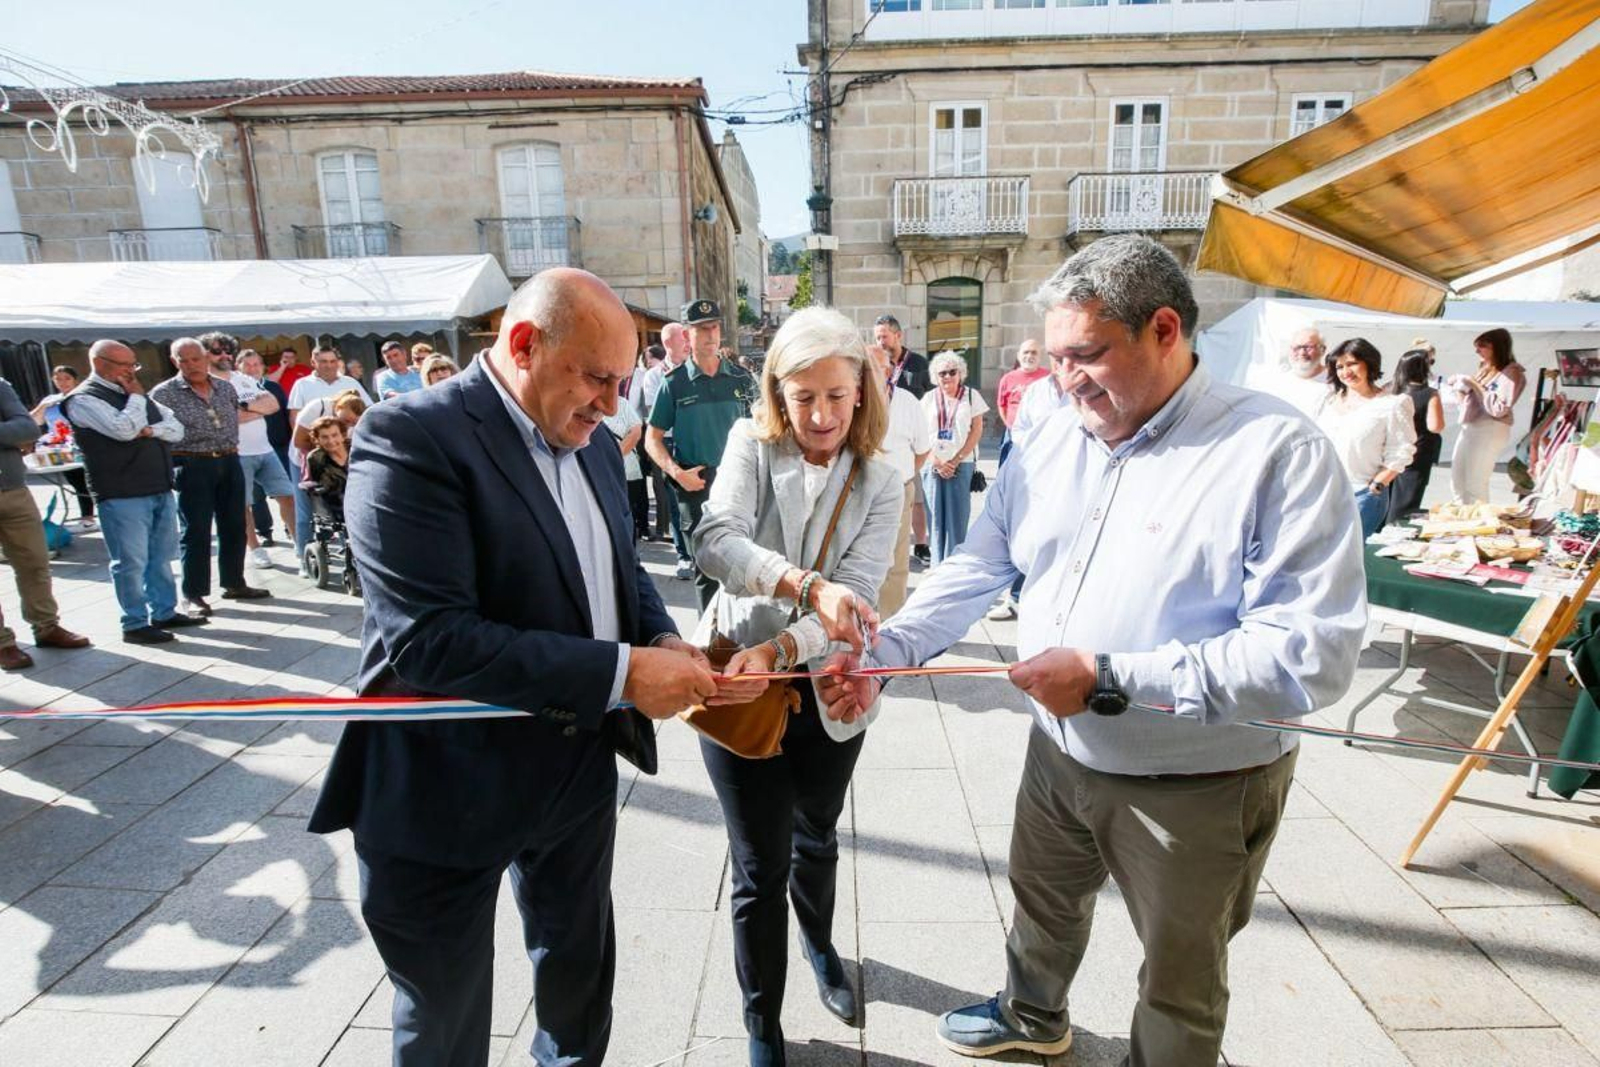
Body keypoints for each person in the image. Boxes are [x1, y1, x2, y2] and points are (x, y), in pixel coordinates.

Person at [818, 234, 1367, 1067]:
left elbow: (1308, 655)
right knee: (1043, 901)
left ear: (1166, 330)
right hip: (1060, 748)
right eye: (1057, 356)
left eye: (1089, 355)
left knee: (1182, 972)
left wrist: (1113, 676)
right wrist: (889, 647)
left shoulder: (1275, 451)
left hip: (1199, 782)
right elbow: (985, 557)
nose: (1065, 378)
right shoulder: (1047, 418)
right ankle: (1034, 1014)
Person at [308, 267, 718, 1067]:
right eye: (597, 377)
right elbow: (430, 639)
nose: (611, 403)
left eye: (622, 381)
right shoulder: (409, 434)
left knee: (578, 978)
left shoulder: (594, 440)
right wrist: (625, 673)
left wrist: (659, 635)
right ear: (524, 344)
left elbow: (617, 566)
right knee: (445, 1017)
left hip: (572, 770)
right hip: (443, 783)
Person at [690, 306, 902, 1066]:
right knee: (756, 866)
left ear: (862, 392)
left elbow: (860, 594)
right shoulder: (750, 442)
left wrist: (795, 632)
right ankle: (761, 1021)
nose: (819, 415)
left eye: (836, 397)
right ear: (777, 393)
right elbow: (715, 540)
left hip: (830, 688)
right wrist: (805, 588)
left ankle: (818, 944)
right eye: (802, 396)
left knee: (817, 831)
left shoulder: (882, 475)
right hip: (742, 680)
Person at [61, 340, 207, 644]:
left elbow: (176, 430)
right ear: (100, 363)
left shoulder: (135, 395)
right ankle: (134, 621)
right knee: (130, 562)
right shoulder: (83, 399)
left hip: (157, 484)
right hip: (120, 491)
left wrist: (150, 429)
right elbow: (123, 429)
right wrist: (137, 401)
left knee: (160, 556)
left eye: (133, 365)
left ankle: (164, 611)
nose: (131, 371)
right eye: (125, 366)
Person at [645, 299, 758, 607]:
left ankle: (742, 640)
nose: (710, 335)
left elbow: (763, 429)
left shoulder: (741, 379)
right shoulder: (675, 384)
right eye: (702, 329)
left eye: (715, 327)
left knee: (744, 564)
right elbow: (651, 439)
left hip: (739, 482)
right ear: (686, 335)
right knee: (705, 570)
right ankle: (710, 647)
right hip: (695, 483)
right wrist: (677, 473)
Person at [150, 338, 275, 615]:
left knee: (234, 524)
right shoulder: (164, 393)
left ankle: (234, 581)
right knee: (196, 530)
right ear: (175, 362)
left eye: (196, 359)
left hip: (229, 458)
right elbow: (157, 432)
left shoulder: (225, 387)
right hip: (192, 463)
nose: (191, 365)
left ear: (206, 358)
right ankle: (193, 593)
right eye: (184, 360)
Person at [0, 377, 91, 670]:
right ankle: (2, 643)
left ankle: (46, 626)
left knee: (35, 562)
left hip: (13, 489)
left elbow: (26, 427)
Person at [1315, 338, 1416, 538]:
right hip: (1324, 491)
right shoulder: (1328, 401)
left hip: (1362, 493)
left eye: (1352, 363)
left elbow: (1402, 450)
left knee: (1352, 556)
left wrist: (1377, 486)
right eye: (1340, 366)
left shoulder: (1391, 404)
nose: (1346, 372)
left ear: (1369, 363)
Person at [288, 344, 372, 568]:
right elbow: (299, 440)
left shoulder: (350, 384)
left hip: (340, 456)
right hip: (308, 458)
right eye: (345, 422)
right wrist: (326, 452)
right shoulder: (313, 402)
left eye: (332, 361)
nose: (349, 426)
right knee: (310, 510)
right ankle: (303, 557)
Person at [867, 342, 930, 618]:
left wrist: (902, 477)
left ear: (891, 370)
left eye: (880, 368)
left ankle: (890, 624)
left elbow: (923, 449)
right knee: (861, 558)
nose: (874, 374)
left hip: (898, 488)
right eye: (868, 368)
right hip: (860, 490)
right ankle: (860, 620)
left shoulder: (908, 402)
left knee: (896, 560)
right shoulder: (854, 400)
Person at [988, 339, 1049, 620]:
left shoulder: (1049, 381)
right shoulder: (1009, 379)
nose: (1029, 357)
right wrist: (1014, 429)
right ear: (1018, 355)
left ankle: (1024, 595)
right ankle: (1012, 596)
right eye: (1025, 352)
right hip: (1013, 445)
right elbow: (1002, 406)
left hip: (1043, 457)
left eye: (1034, 353)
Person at [874, 314, 933, 563]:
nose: (880, 341)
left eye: (884, 336)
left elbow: (933, 399)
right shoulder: (873, 364)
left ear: (898, 335)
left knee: (916, 499)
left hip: (914, 439)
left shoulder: (918, 364)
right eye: (877, 337)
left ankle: (920, 543)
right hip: (885, 443)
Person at [921, 352, 988, 564]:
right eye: (942, 373)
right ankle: (936, 566)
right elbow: (920, 433)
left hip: (962, 464)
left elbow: (976, 431)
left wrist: (955, 460)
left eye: (952, 372)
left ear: (961, 374)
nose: (947, 376)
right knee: (935, 519)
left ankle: (955, 566)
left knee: (958, 518)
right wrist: (937, 461)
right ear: (935, 376)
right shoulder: (929, 398)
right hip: (933, 465)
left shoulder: (971, 396)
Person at [233, 350, 296, 569]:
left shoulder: (270, 387)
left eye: (256, 364)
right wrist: (259, 409)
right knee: (245, 505)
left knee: (288, 496)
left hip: (268, 449)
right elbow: (230, 417)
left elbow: (275, 408)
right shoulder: (230, 385)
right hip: (239, 453)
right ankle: (256, 549)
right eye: (247, 364)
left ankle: (300, 544)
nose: (252, 368)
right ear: (238, 366)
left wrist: (247, 409)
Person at [1449, 327, 1526, 504]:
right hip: (1471, 426)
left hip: (1490, 427)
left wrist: (1474, 384)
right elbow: (1470, 400)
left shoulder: (1511, 371)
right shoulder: (1485, 368)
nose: (1477, 351)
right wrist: (1460, 389)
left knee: (1475, 483)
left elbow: (1498, 408)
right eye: (1476, 346)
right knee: (1457, 479)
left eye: (1482, 346)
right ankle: (1462, 519)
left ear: (1498, 347)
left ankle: (1477, 523)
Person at [29, 364, 96, 527]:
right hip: (59, 446)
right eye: (58, 379)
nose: (62, 382)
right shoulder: (50, 401)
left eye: (67, 378)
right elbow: (34, 421)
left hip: (80, 444)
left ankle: (88, 518)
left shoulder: (83, 397)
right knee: (72, 480)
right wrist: (44, 405)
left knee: (82, 481)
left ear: (75, 380)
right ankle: (85, 517)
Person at [1388, 349, 1446, 522]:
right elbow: (1435, 426)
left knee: (1387, 497)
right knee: (1407, 501)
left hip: (1391, 450)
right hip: (1418, 452)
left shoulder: (1392, 390)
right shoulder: (1430, 393)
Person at [634, 339, 679, 544]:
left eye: (648, 357)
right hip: (657, 434)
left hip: (679, 435)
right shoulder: (652, 376)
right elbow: (651, 408)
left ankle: (671, 528)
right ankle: (664, 528)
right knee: (661, 485)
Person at [600, 386, 647, 540]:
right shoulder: (585, 404)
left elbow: (636, 431)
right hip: (599, 469)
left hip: (626, 468)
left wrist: (615, 454)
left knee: (627, 512)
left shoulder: (623, 404)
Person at [1276, 327, 1330, 418]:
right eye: (1296, 348)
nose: (1302, 353)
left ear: (1323, 350)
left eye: (1308, 347)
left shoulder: (1335, 382)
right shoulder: (1279, 382)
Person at [303, 416, 350, 516]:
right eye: (324, 437)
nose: (331, 441)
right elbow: (319, 492)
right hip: (339, 511)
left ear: (343, 435)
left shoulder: (356, 449)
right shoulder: (316, 458)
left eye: (335, 435)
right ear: (317, 439)